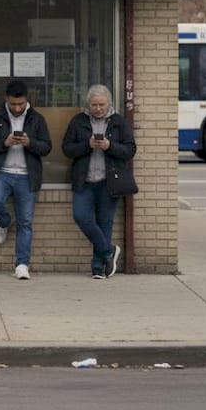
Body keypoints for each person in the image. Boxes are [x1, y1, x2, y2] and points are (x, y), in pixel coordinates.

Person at [62, 84, 138, 279]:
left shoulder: (118, 122)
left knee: (105, 223)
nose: (97, 108)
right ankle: (109, 250)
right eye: (94, 104)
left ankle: (98, 267)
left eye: (101, 105)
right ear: (88, 104)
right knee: (81, 217)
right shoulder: (79, 121)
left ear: (109, 103)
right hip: (84, 180)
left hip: (108, 182)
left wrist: (109, 146)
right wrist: (87, 145)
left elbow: (130, 150)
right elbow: (67, 149)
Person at [0, 79, 52, 280]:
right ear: (6, 99)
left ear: (27, 99)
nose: (17, 107)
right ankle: (4, 221)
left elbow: (47, 147)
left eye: (21, 103)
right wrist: (4, 143)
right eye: (13, 104)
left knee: (26, 222)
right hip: (1, 172)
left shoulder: (37, 119)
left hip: (26, 176)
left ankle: (22, 264)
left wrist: (30, 143)